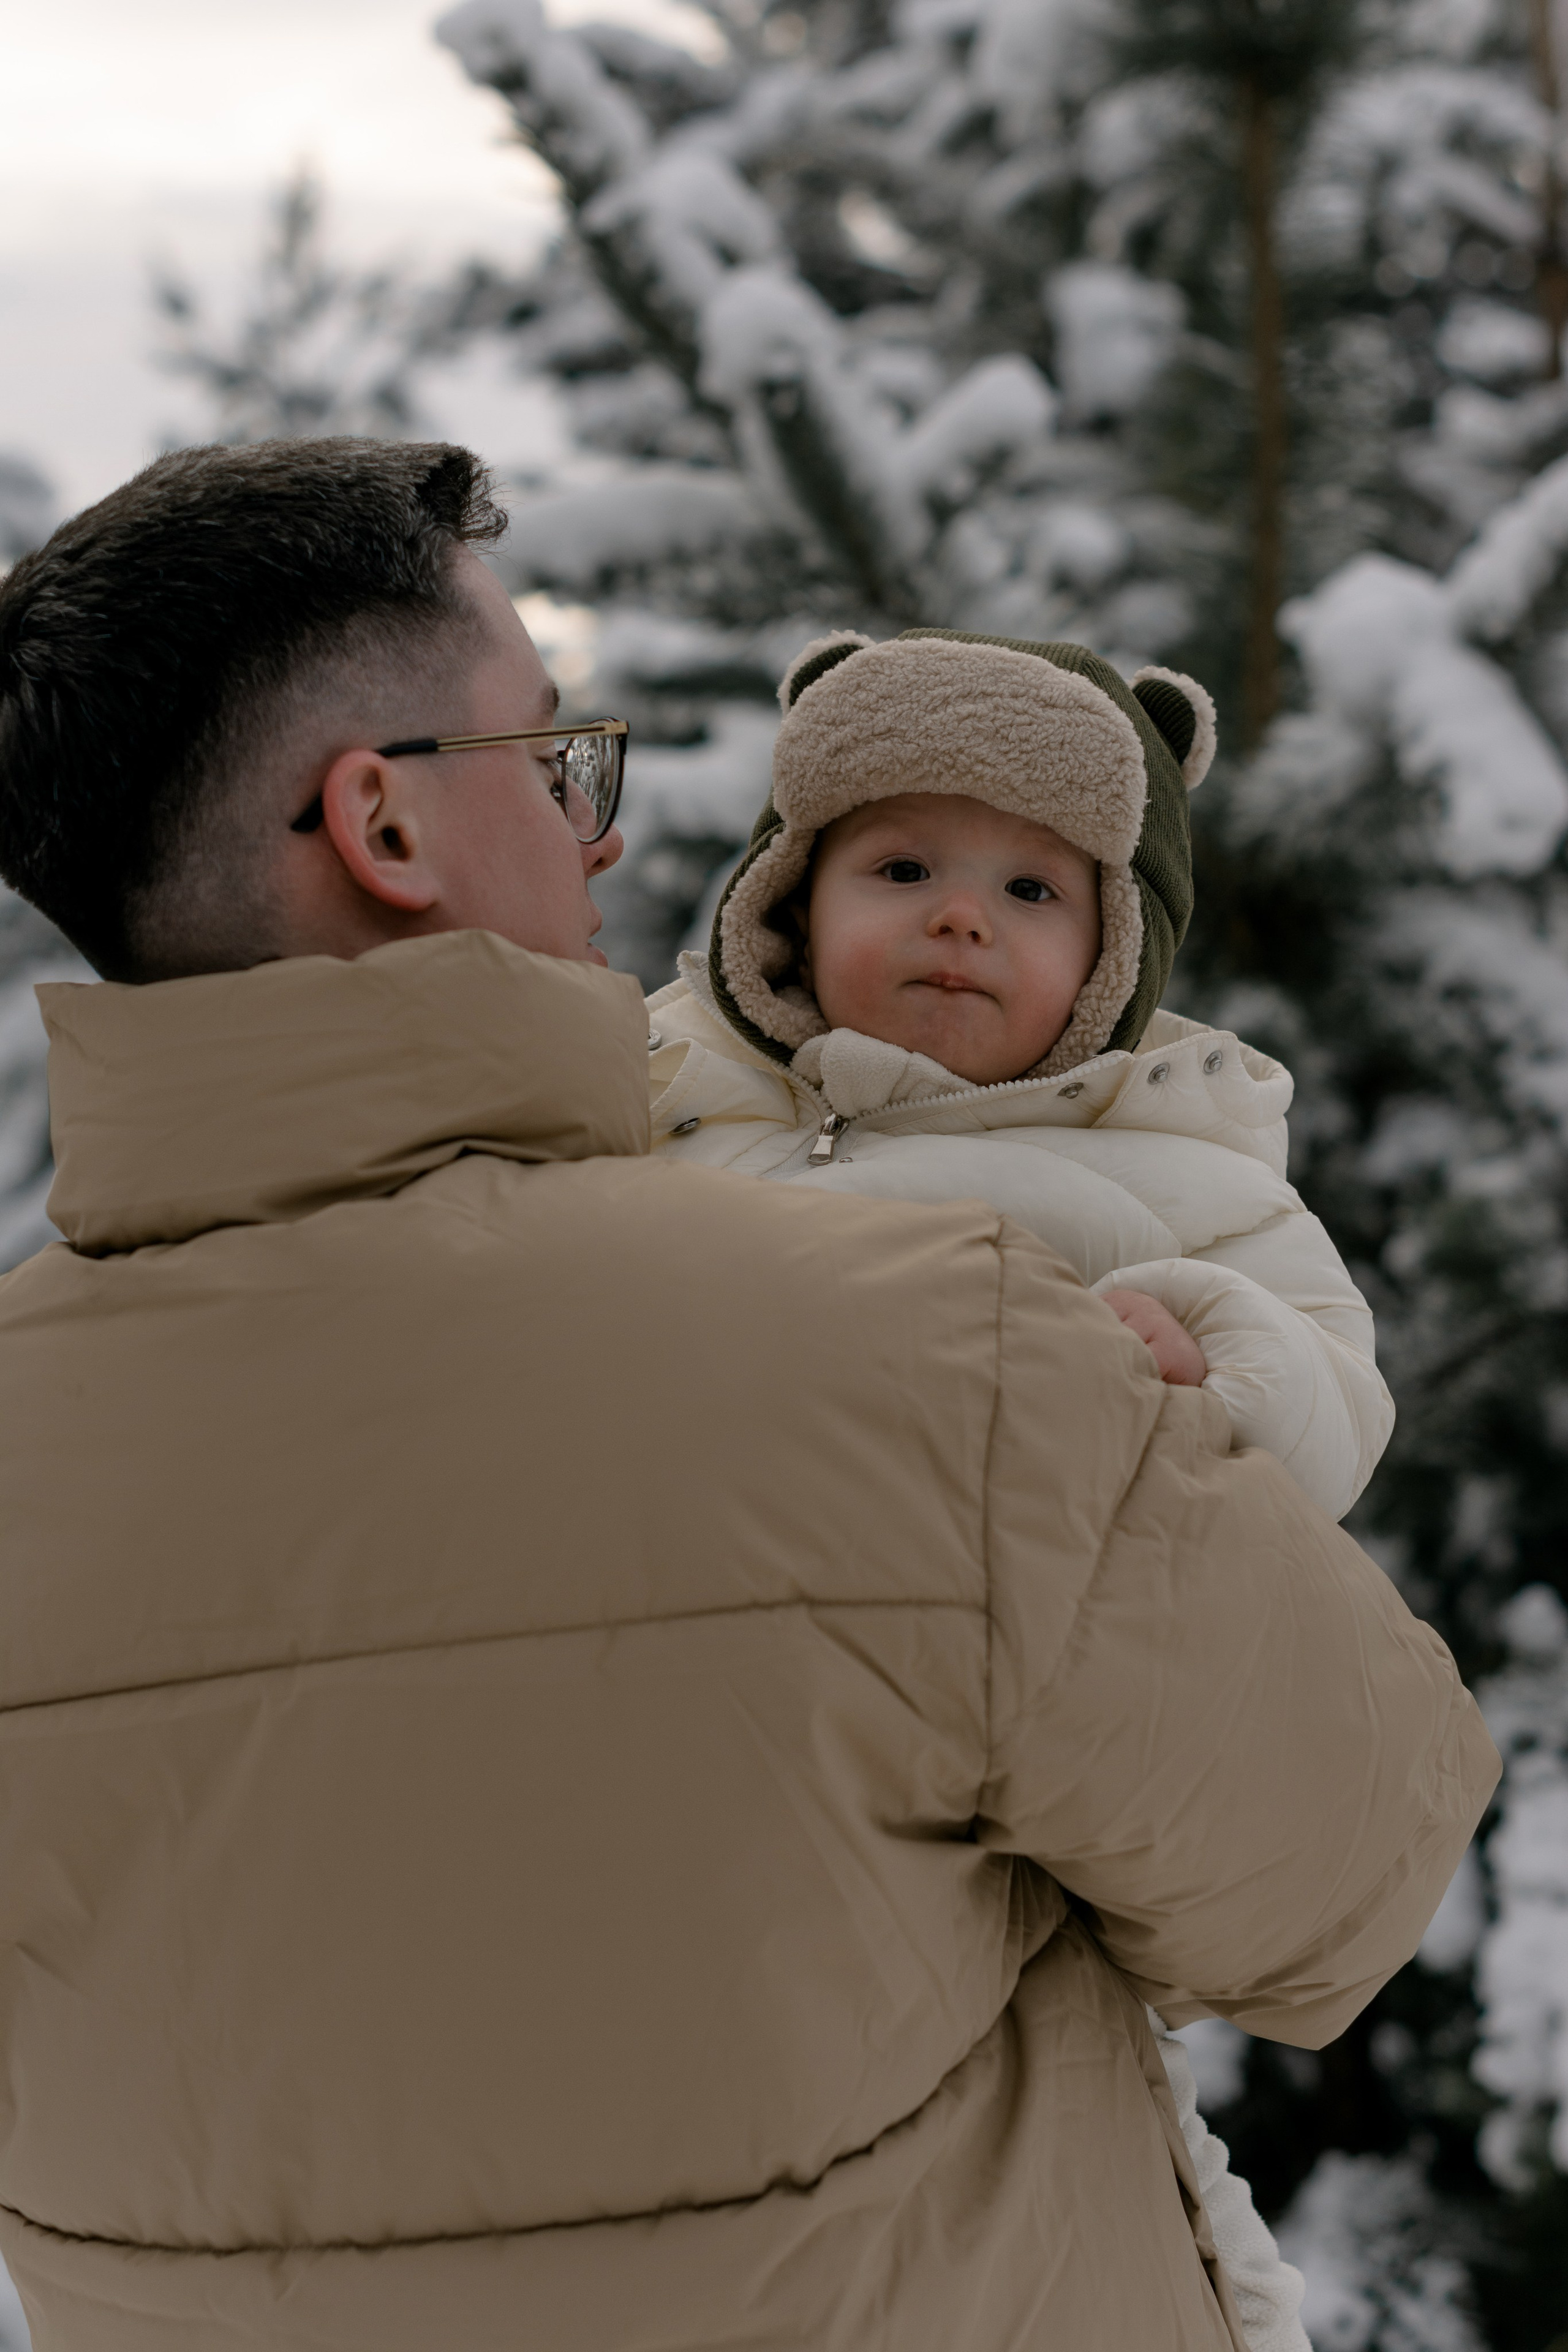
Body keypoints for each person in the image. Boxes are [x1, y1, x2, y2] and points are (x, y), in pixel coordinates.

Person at [0, 440, 1498, 2352]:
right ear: (385, 827)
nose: (602, 831)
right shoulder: (934, 1353)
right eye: (551, 761)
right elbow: (1348, 1863)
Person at [646, 625, 1399, 2350]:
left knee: (1049, 2094)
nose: (961, 916)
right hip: (715, 1670)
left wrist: (1207, 1366)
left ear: (1116, 950)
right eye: (901, 867)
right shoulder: (669, 1098)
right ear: (783, 901)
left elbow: (1332, 1389)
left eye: (1030, 894)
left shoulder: (1174, 1157)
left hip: (999, 1703)